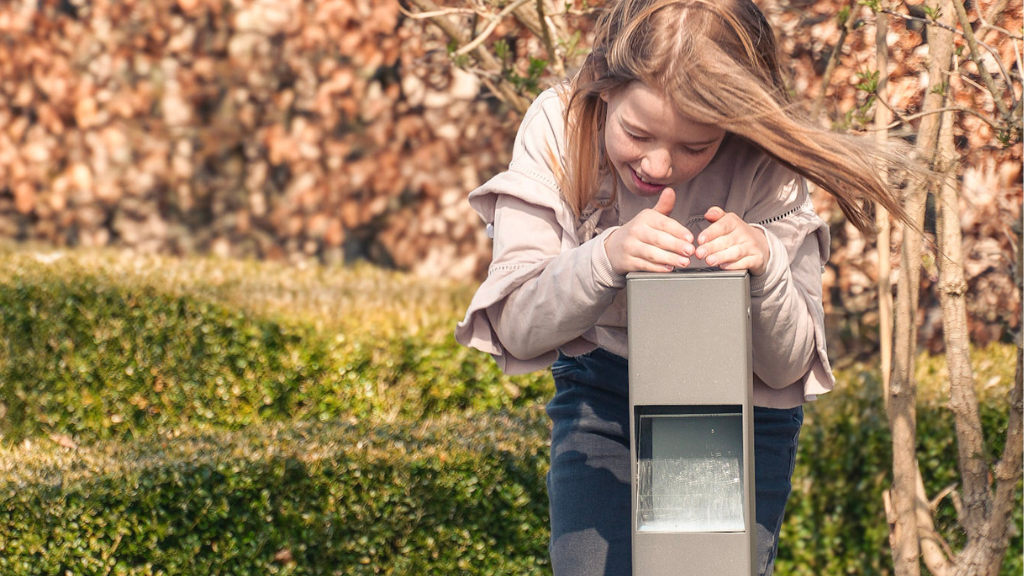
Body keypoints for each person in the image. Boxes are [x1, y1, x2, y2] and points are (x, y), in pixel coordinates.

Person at [455, 0, 910, 574]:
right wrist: (606, 257)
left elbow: (784, 368)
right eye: (637, 132)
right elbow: (519, 330)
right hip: (605, 392)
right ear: (603, 89)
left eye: (696, 147)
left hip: (739, 404)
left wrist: (766, 268)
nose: (659, 165)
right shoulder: (560, 125)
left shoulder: (767, 160)